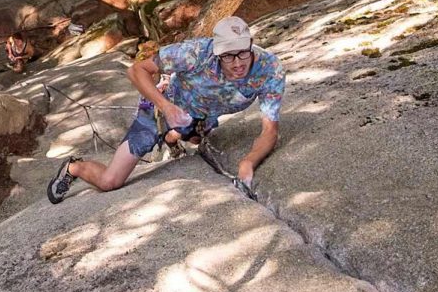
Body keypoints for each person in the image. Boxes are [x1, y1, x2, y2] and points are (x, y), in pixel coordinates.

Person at [46, 16, 285, 204]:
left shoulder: (269, 70)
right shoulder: (196, 53)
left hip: (199, 117)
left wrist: (248, 163)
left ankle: (175, 138)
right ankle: (74, 167)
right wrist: (165, 106)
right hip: (160, 110)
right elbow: (136, 70)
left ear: (251, 44)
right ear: (216, 52)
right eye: (228, 56)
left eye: (243, 52)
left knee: (190, 133)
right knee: (111, 181)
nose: (238, 62)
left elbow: (269, 130)